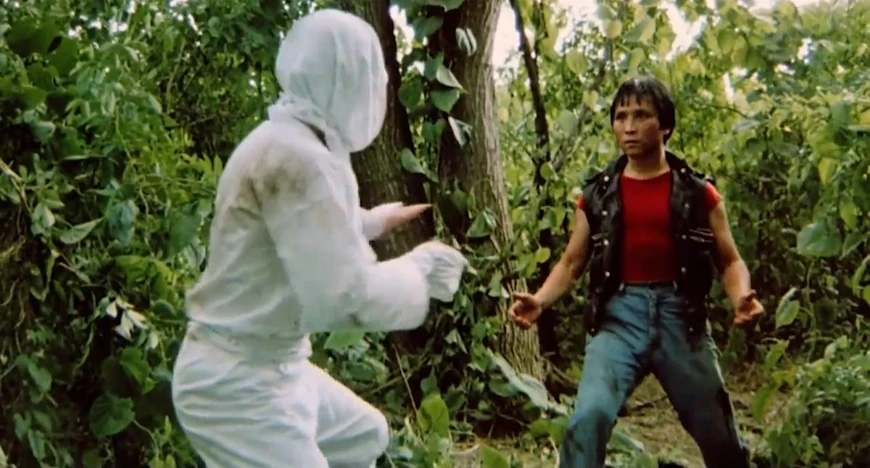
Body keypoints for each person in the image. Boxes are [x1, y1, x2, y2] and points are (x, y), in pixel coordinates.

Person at [171, 9, 468, 468]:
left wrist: (372, 222)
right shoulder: (295, 157)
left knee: (364, 434)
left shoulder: (291, 140)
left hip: (272, 364)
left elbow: (298, 229)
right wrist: (419, 271)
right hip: (234, 383)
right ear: (340, 78)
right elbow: (344, 297)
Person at [508, 76, 764, 468]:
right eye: (621, 116)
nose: (628, 126)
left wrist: (741, 297)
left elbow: (729, 260)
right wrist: (539, 300)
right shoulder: (596, 195)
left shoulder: (698, 193)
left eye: (641, 116)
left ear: (665, 126)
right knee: (589, 416)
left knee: (718, 432)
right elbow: (572, 262)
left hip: (682, 319)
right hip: (618, 319)